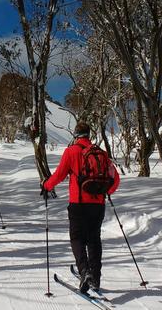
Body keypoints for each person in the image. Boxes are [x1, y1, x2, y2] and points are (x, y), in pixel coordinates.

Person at [41, 121, 120, 292]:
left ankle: (84, 271)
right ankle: (96, 278)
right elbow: (115, 178)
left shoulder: (71, 152)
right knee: (94, 240)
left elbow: (59, 175)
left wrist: (46, 186)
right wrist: (106, 191)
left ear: (76, 135)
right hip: (98, 204)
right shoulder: (101, 154)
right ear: (89, 134)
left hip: (78, 204)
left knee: (77, 238)